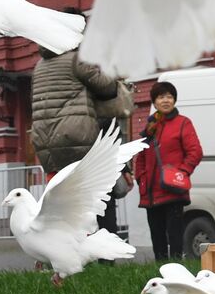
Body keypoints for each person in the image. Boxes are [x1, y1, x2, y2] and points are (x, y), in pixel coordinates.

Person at [31, 41, 126, 235]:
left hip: (46, 141)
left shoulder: (39, 65)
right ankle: (106, 255)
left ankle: (72, 253)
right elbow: (105, 86)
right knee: (100, 196)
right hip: (75, 137)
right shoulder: (77, 58)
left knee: (68, 203)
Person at [131, 81, 201, 259]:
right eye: (161, 97)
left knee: (175, 235)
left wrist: (181, 173)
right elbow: (141, 155)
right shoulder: (150, 126)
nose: (166, 100)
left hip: (172, 189)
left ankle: (177, 268)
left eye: (169, 97)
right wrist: (141, 177)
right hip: (151, 192)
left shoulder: (183, 123)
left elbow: (195, 152)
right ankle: (160, 269)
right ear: (154, 102)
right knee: (157, 235)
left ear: (175, 100)